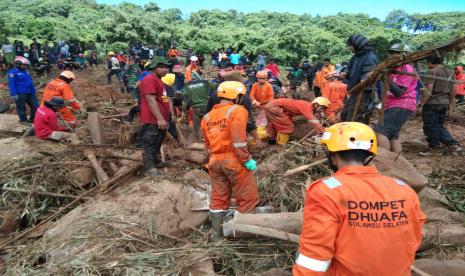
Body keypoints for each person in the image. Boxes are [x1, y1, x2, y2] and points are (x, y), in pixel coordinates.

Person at [293, 122, 425, 275]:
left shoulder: (326, 192)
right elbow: (414, 236)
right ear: (368, 155)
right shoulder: (403, 189)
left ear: (332, 156)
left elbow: (315, 252)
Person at [201, 81, 260, 242]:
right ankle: (243, 235)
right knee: (248, 198)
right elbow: (239, 140)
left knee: (219, 198)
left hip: (214, 161)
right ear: (237, 96)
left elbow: (207, 144)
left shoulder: (207, 117)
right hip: (233, 160)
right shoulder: (238, 110)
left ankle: (216, 236)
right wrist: (246, 160)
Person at [374, 44, 418, 153]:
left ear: (404, 55)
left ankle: (385, 161)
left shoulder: (406, 69)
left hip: (401, 105)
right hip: (394, 105)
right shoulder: (393, 69)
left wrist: (384, 77)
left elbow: (399, 92)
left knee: (380, 132)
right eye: (391, 53)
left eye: (396, 53)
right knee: (393, 136)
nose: (392, 55)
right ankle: (398, 163)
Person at [418, 55, 461, 153]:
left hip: (432, 103)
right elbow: (454, 88)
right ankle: (452, 144)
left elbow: (429, 88)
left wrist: (421, 104)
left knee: (430, 125)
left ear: (430, 62)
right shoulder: (450, 72)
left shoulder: (432, 71)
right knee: (438, 125)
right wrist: (450, 102)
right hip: (444, 102)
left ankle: (434, 147)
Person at [139, 56, 172, 176]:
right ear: (154, 68)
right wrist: (159, 118)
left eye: (166, 67)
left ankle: (156, 161)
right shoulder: (149, 79)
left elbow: (161, 100)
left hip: (160, 118)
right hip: (153, 119)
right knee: (150, 143)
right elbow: (150, 100)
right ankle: (149, 168)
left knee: (158, 141)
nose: (165, 70)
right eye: (161, 67)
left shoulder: (159, 80)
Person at [340, 34, 378, 124]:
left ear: (358, 44)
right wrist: (345, 75)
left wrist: (364, 79)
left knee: (356, 118)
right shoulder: (355, 57)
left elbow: (368, 77)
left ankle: (359, 137)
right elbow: (350, 72)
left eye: (351, 45)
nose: (350, 48)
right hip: (354, 91)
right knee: (345, 115)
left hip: (364, 93)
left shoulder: (370, 57)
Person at [8, 56, 38, 125]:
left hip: (30, 92)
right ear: (18, 64)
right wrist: (13, 94)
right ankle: (23, 120)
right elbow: (12, 84)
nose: (25, 66)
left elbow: (30, 81)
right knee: (21, 107)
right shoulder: (12, 72)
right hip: (20, 93)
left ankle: (32, 119)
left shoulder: (26, 72)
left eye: (26, 65)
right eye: (24, 65)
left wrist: (33, 91)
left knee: (35, 106)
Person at [183, 72, 213, 142]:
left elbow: (185, 99)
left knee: (196, 127)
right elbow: (215, 87)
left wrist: (184, 110)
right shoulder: (204, 82)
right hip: (206, 107)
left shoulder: (187, 85)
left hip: (196, 108)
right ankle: (209, 141)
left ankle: (199, 142)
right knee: (209, 125)